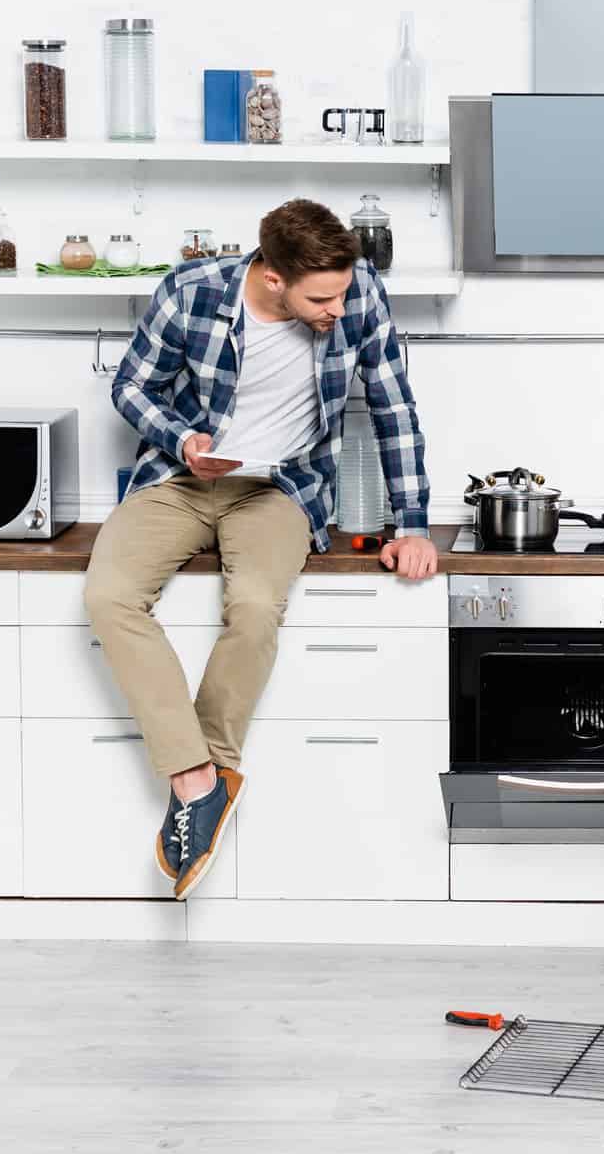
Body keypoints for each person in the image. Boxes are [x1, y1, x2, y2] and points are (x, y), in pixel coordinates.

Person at [85, 199, 436, 899]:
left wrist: (415, 521)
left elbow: (393, 404)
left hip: (281, 489)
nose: (339, 306)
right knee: (108, 595)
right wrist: (183, 439)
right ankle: (198, 779)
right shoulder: (192, 293)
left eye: (342, 290)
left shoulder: (357, 292)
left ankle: (203, 778)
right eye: (321, 296)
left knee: (251, 605)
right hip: (182, 480)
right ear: (273, 277)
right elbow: (131, 385)